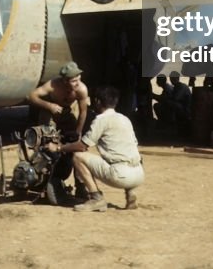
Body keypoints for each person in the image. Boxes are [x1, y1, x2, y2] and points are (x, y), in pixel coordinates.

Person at [47, 84, 144, 212]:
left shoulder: (101, 120)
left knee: (78, 157)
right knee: (127, 152)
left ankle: (96, 198)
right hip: (138, 174)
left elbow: (82, 146)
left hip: (120, 176)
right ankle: (131, 194)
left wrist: (58, 147)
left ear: (97, 101)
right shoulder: (124, 119)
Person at [28, 61, 90, 138]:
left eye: (79, 79)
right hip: (49, 113)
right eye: (74, 81)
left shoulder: (81, 89)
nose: (78, 83)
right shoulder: (53, 85)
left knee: (71, 137)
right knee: (46, 137)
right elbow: (30, 96)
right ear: (64, 81)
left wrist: (78, 132)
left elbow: (83, 112)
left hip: (67, 112)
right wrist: (49, 106)